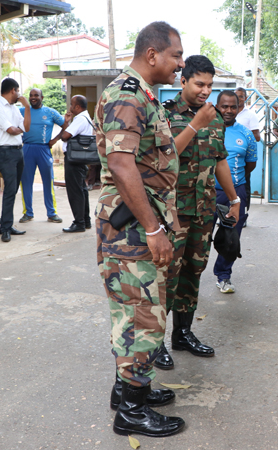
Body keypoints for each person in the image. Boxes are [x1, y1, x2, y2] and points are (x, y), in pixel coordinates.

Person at [94, 21, 186, 438]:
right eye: (176, 56)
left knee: (138, 312)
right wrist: (152, 228)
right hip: (131, 230)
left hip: (138, 225)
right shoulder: (126, 95)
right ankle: (130, 410)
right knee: (141, 317)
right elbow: (120, 163)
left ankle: (130, 388)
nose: (180, 65)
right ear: (152, 55)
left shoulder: (142, 95)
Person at [155, 55, 241, 371]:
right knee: (166, 277)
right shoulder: (164, 115)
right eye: (199, 84)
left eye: (210, 85)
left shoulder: (215, 117)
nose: (205, 90)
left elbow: (219, 160)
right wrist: (194, 125)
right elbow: (165, 158)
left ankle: (182, 334)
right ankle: (156, 345)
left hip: (203, 210)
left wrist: (233, 198)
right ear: (184, 81)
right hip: (172, 213)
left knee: (193, 271)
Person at [213, 90, 257, 293]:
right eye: (224, 106)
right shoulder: (206, 129)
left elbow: (250, 164)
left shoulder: (246, 133)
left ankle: (224, 276)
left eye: (233, 106)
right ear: (217, 106)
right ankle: (191, 279)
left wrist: (234, 184)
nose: (229, 110)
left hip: (235, 193)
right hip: (207, 192)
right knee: (199, 238)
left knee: (231, 237)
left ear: (239, 108)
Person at [0, 78, 30, 243]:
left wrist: (27, 107)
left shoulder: (15, 108)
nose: (19, 94)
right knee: (9, 189)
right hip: (5, 152)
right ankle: (5, 229)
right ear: (13, 90)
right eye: (18, 91)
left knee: (12, 191)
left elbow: (25, 127)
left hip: (18, 152)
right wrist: (20, 130)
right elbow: (12, 130)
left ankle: (7, 225)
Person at [18, 88, 65, 224]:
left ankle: (52, 213)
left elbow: (65, 125)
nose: (33, 98)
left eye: (36, 95)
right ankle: (28, 213)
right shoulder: (22, 111)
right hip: (27, 148)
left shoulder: (50, 112)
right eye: (31, 95)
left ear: (42, 97)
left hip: (44, 149)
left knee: (48, 182)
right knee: (26, 182)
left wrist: (55, 140)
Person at [54, 95, 93, 233]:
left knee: (75, 191)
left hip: (74, 160)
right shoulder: (86, 118)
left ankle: (79, 222)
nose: (70, 107)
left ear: (77, 107)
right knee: (81, 190)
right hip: (80, 159)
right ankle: (85, 220)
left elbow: (65, 136)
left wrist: (65, 123)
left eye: (71, 104)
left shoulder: (81, 119)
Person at [235, 86, 260, 224]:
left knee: (243, 186)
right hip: (229, 156)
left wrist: (240, 134)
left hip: (243, 158)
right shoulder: (228, 112)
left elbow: (257, 137)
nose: (238, 98)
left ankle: (243, 215)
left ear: (245, 98)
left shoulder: (250, 115)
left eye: (241, 96)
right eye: (236, 95)